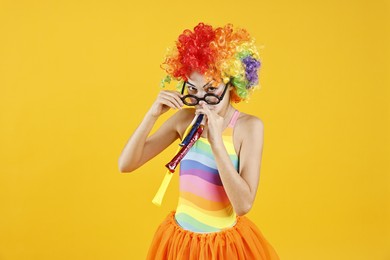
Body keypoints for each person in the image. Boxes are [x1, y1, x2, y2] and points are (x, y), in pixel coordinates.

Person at [118, 22, 279, 259]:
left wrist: (216, 143)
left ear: (232, 84)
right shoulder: (185, 119)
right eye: (193, 90)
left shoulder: (248, 128)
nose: (202, 100)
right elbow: (126, 164)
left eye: (211, 90)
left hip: (224, 248)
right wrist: (151, 115)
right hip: (183, 244)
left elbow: (243, 205)